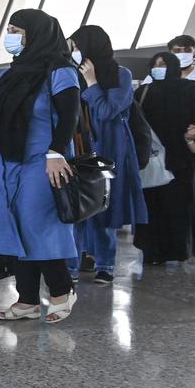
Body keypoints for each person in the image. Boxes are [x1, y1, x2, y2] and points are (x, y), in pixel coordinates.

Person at [0, 9, 79, 324]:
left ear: (35, 33)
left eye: (16, 30)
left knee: (39, 226)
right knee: (14, 226)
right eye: (8, 29)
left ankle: (62, 290)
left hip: (43, 159)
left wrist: (56, 152)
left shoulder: (60, 70)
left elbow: (69, 116)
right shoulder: (11, 72)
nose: (10, 36)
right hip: (8, 160)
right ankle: (26, 299)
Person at [67, 25, 148, 284]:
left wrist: (92, 83)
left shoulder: (120, 75)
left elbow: (106, 111)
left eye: (78, 47)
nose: (75, 52)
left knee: (103, 209)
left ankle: (105, 265)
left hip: (109, 152)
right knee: (74, 209)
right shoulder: (70, 75)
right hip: (77, 150)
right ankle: (72, 265)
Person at [133, 52, 195, 264]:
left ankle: (177, 251)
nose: (158, 67)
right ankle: (151, 252)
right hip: (151, 159)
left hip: (180, 161)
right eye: (155, 64)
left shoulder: (190, 90)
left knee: (178, 209)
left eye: (163, 64)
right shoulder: (144, 91)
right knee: (152, 207)